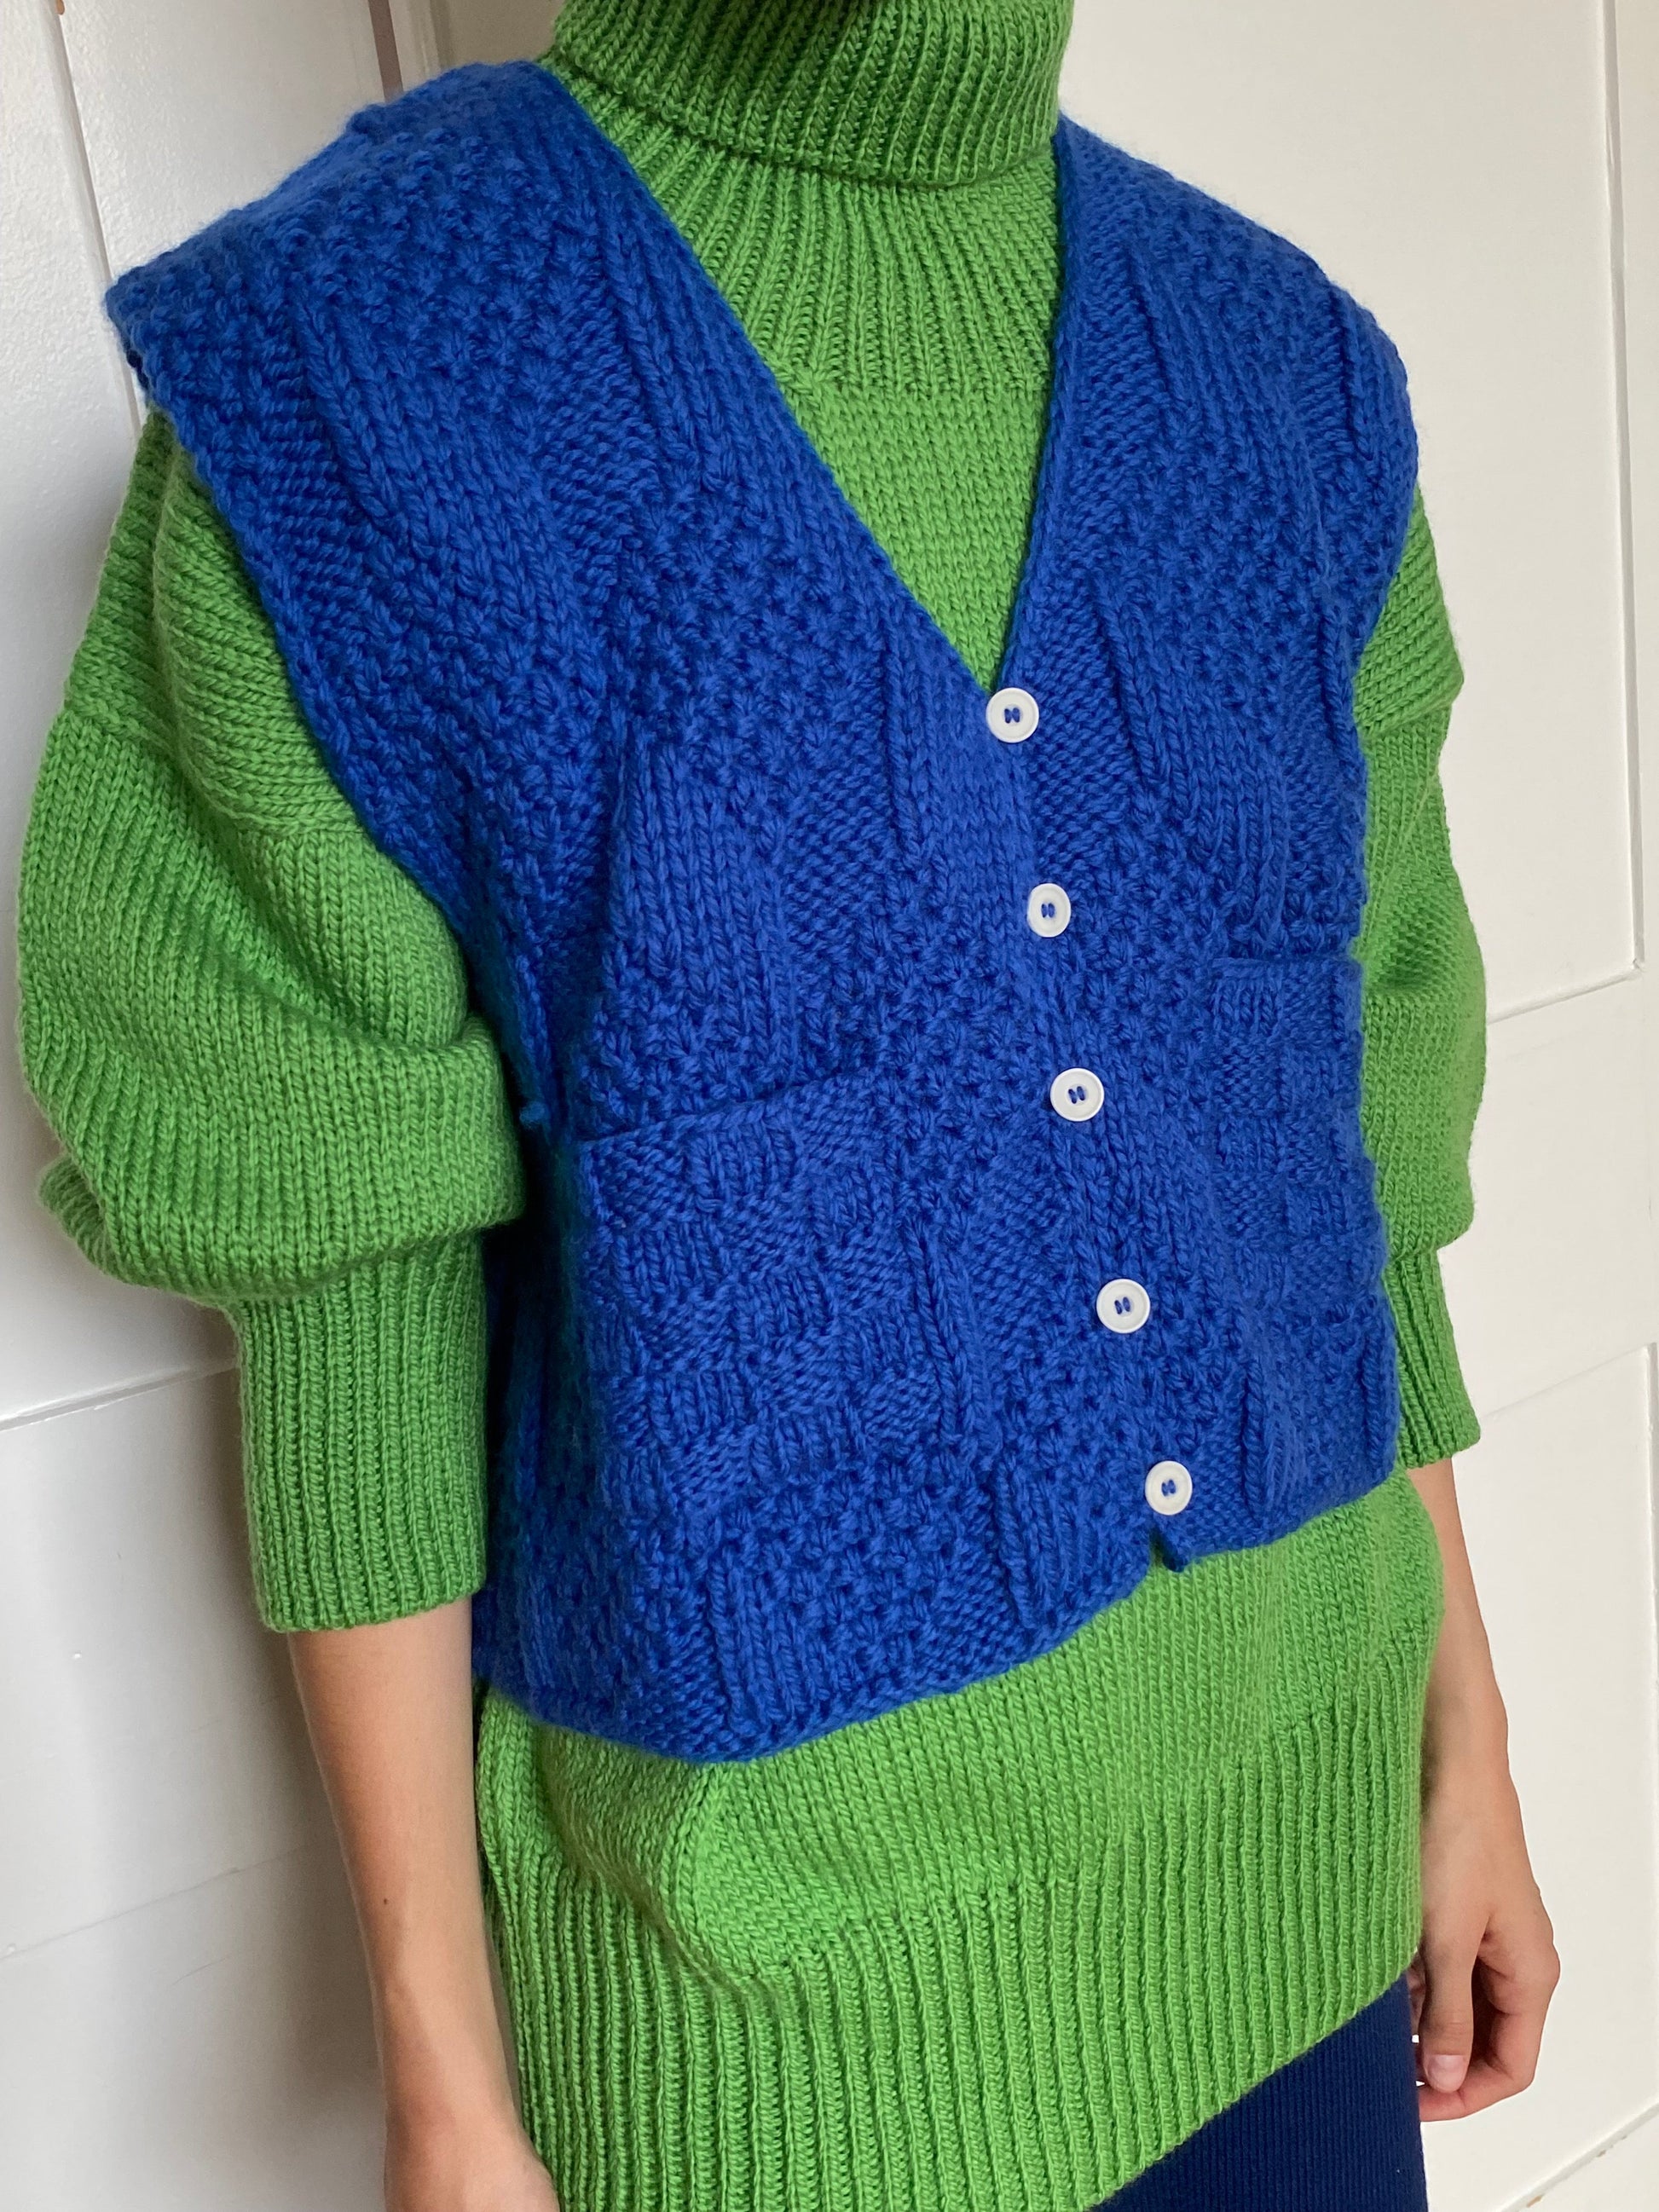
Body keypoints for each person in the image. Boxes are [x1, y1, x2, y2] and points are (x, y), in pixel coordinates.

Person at [15, 2, 1558, 2207]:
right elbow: (340, 1273)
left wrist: (1464, 1738)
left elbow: (1349, 1155)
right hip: (771, 2037)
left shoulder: (1286, 374)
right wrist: (449, 2085)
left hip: (1310, 1894)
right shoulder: (350, 360)